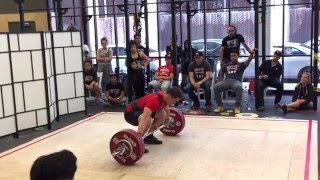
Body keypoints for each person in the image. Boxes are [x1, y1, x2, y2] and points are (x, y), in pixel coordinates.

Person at [214, 49, 255, 114]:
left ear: (237, 56)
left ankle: (237, 106)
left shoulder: (241, 65)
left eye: (234, 56)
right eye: (231, 56)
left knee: (239, 87)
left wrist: (251, 54)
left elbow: (249, 60)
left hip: (236, 81)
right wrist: (221, 81)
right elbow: (221, 74)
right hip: (226, 81)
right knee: (216, 86)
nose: (232, 57)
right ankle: (220, 106)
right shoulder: (226, 65)